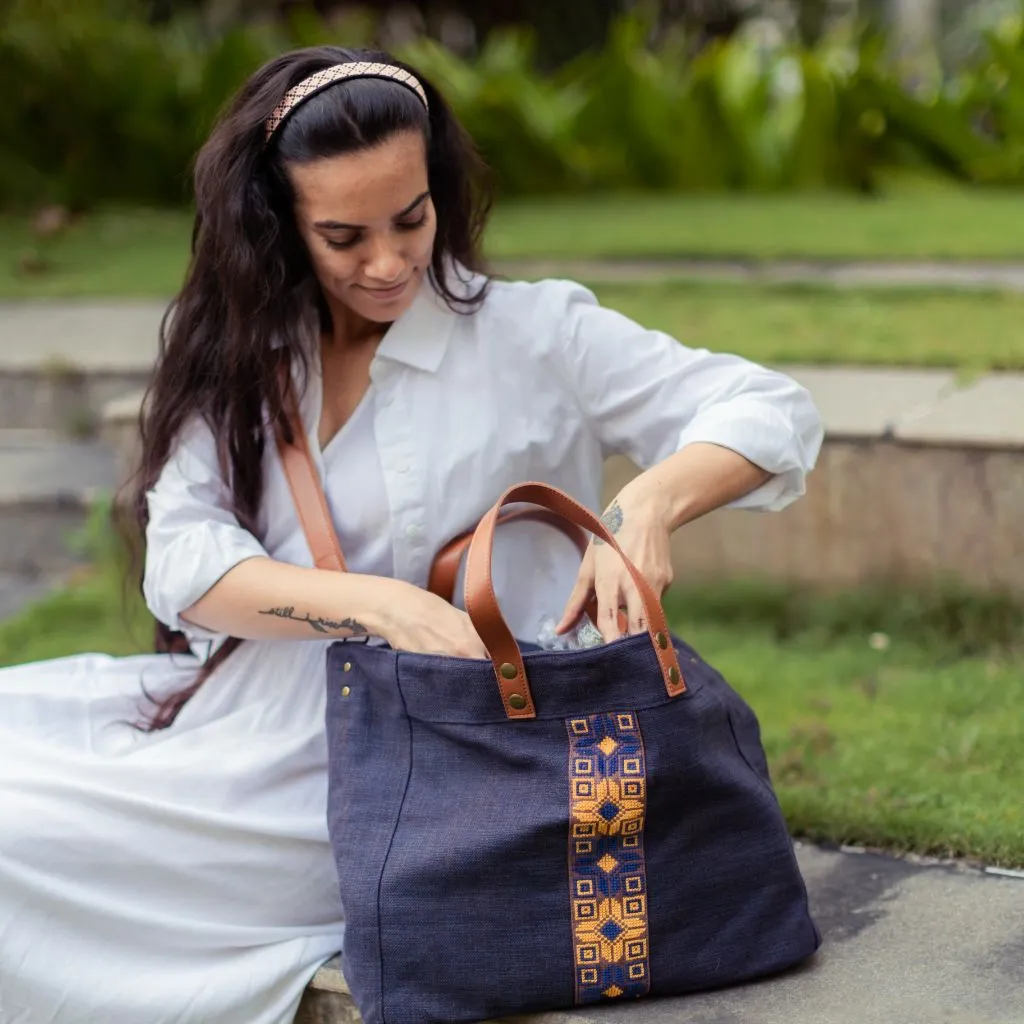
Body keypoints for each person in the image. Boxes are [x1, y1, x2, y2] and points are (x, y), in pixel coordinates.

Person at [0, 45, 823, 1024]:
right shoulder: (247, 359)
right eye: (343, 235)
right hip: (260, 725)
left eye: (412, 218)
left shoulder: (536, 334)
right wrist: (380, 605)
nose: (388, 262)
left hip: (444, 766)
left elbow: (767, 409)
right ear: (277, 225)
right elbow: (180, 558)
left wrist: (648, 502)